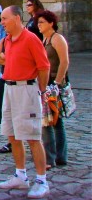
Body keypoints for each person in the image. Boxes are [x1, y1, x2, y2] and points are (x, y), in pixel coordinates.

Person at [0, 5, 51, 198]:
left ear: (17, 18)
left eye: (4, 18)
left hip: (26, 89)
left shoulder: (31, 39)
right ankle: (21, 175)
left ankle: (42, 180)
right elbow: (2, 60)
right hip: (9, 88)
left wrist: (41, 91)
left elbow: (44, 67)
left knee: (33, 136)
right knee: (12, 135)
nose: (2, 22)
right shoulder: (8, 40)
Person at [36, 10, 69, 168]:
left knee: (53, 121)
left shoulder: (57, 38)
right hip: (46, 83)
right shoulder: (45, 39)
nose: (39, 25)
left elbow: (64, 61)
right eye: (38, 22)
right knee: (49, 121)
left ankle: (54, 158)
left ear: (51, 23)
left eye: (42, 22)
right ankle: (54, 156)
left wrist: (57, 82)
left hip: (54, 84)